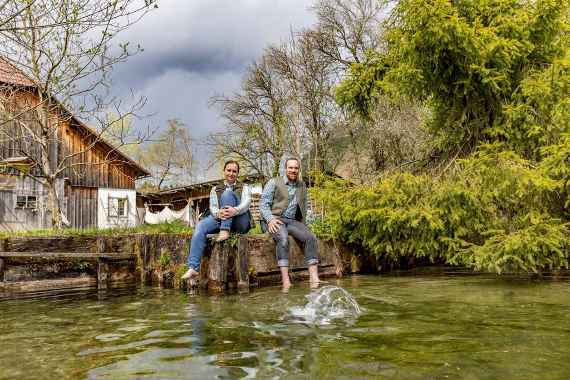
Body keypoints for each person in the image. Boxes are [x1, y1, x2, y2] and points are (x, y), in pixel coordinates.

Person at [181, 160, 252, 280]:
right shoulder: (215, 189)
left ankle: (224, 231)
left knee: (227, 194)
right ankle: (193, 267)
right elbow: (213, 207)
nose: (231, 173)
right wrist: (218, 213)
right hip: (221, 218)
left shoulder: (245, 187)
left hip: (240, 220)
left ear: (238, 173)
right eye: (228, 170)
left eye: (234, 171)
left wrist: (235, 210)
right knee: (201, 226)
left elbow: (246, 204)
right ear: (224, 171)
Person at [259, 156, 320, 289]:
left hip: (291, 221)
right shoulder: (274, 182)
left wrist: (306, 225)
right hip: (273, 218)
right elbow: (263, 204)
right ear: (285, 169)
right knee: (283, 238)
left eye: (296, 168)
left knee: (310, 237)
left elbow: (304, 208)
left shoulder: (302, 185)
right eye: (290, 167)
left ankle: (314, 277)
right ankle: (285, 280)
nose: (293, 170)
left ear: (299, 170)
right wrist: (270, 220)